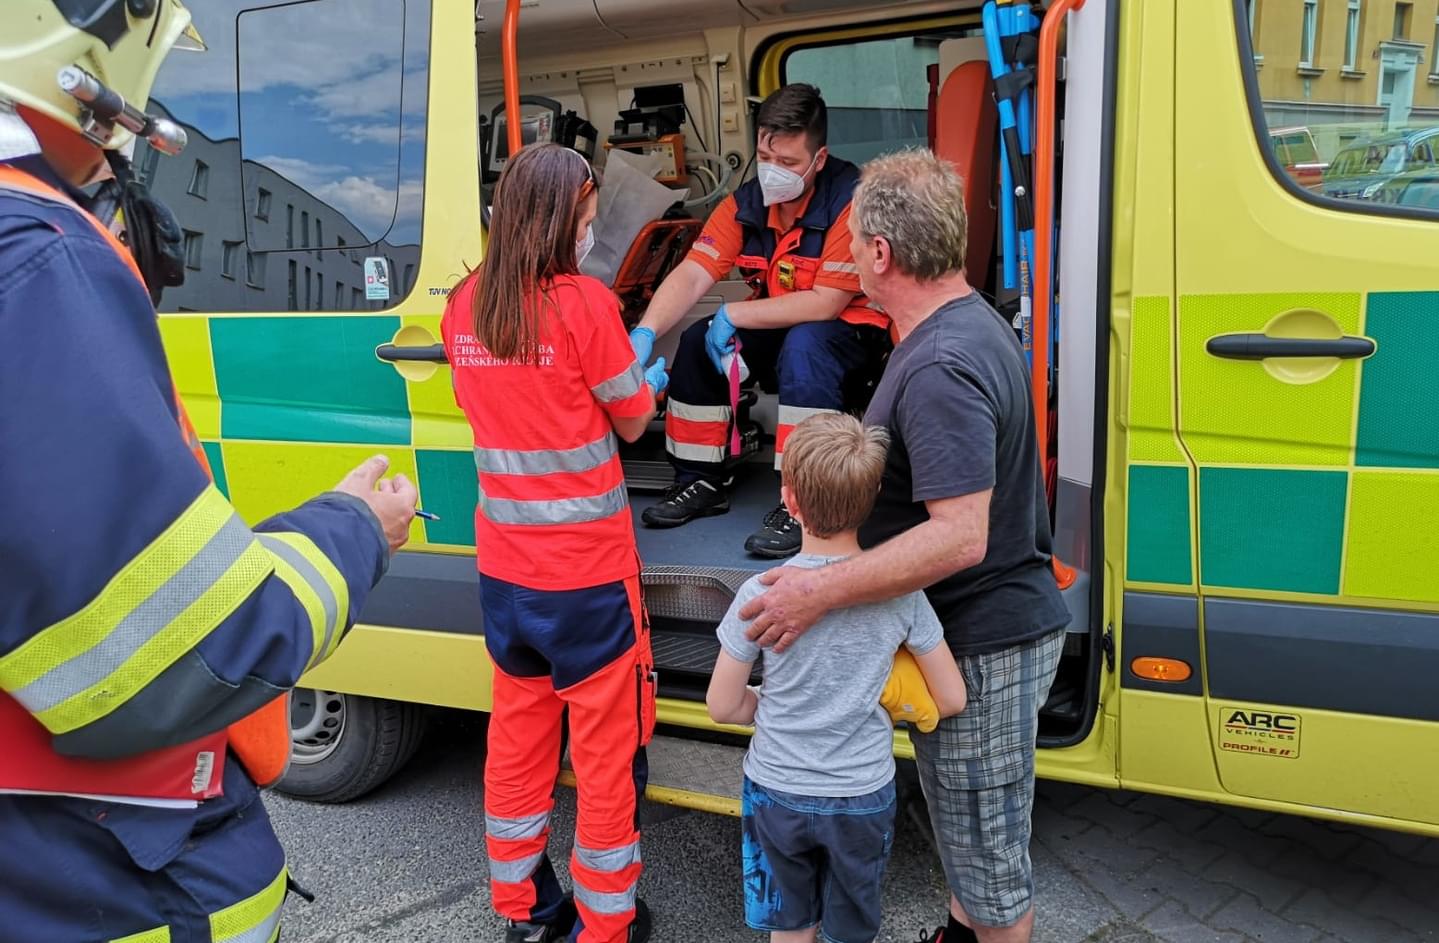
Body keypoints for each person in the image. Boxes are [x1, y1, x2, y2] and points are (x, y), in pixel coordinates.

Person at [0, 3, 418, 940]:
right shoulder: (32, 256)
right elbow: (179, 657)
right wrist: (355, 527)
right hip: (95, 861)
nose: (117, 158)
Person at [738, 150, 1072, 943]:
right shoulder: (962, 323)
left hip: (983, 643)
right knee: (966, 841)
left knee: (990, 875)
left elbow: (959, 534)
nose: (848, 254)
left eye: (852, 241)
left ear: (881, 253)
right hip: (979, 636)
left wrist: (817, 591)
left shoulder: (940, 365)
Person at [440, 143, 666, 943]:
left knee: (517, 744)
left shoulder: (464, 302)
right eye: (588, 217)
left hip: (507, 576)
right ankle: (604, 926)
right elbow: (632, 420)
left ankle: (525, 912)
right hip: (588, 580)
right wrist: (645, 377)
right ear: (562, 220)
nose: (590, 230)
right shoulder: (583, 303)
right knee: (606, 760)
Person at [706, 412, 967, 943]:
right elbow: (951, 699)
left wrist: (762, 702)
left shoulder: (761, 593)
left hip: (777, 788)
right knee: (849, 929)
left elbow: (722, 706)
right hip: (861, 793)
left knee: (790, 928)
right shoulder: (902, 596)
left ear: (789, 500)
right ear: (873, 499)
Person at [627, 83, 889, 559]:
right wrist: (646, 331)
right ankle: (700, 480)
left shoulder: (851, 202)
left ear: (819, 158)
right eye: (766, 157)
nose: (773, 171)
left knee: (807, 345)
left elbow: (827, 303)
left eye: (788, 162)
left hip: (852, 332)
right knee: (695, 340)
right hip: (785, 322)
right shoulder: (745, 205)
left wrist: (733, 312)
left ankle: (806, 504)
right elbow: (693, 273)